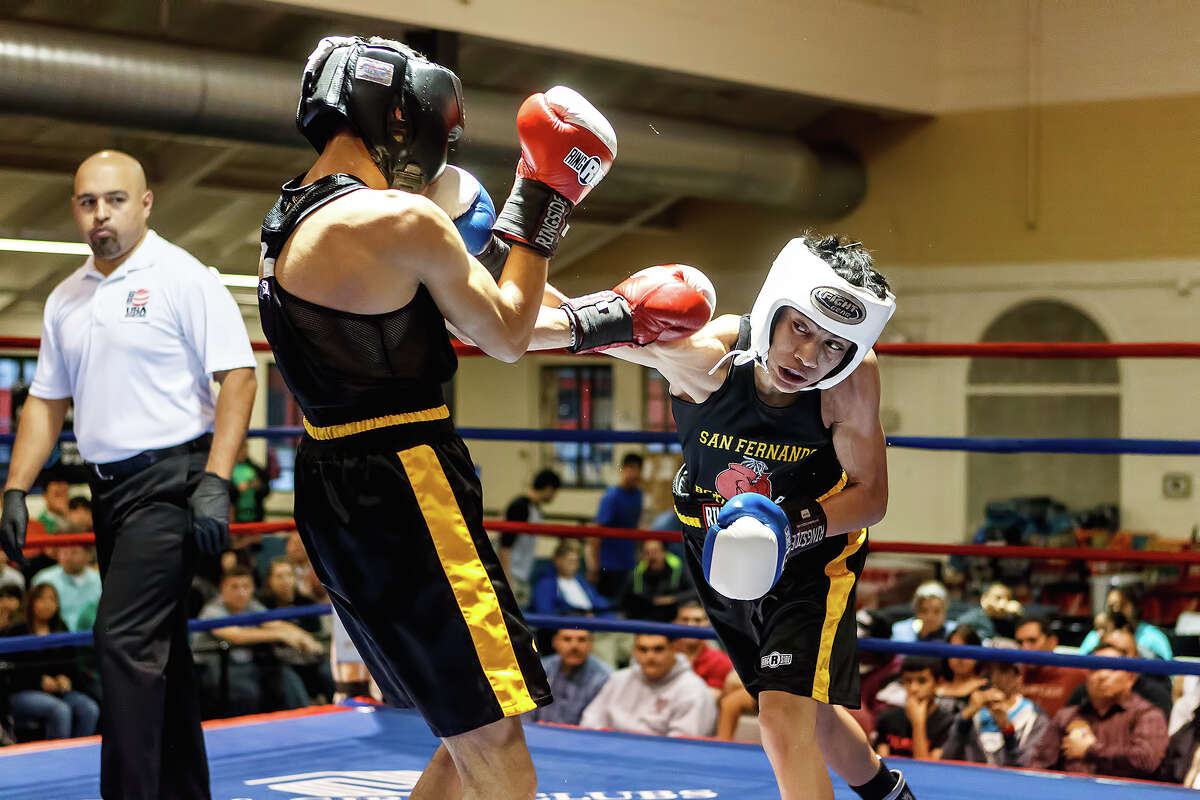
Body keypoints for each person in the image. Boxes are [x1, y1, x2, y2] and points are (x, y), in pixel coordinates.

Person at [258, 35, 615, 800]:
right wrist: (544, 195)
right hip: (407, 485)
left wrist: (611, 319)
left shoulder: (289, 215)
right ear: (398, 115)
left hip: (337, 482)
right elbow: (508, 332)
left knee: (464, 732)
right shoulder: (398, 221)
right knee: (498, 750)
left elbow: (478, 311)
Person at [528, 234, 913, 799]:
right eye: (801, 328)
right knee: (808, 710)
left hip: (814, 555)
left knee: (783, 720)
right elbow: (556, 329)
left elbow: (871, 497)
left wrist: (787, 526)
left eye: (833, 345)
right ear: (774, 307)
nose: (809, 357)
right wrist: (482, 268)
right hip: (713, 546)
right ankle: (888, 793)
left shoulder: (852, 382)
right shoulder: (707, 355)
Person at [0, 148, 256, 799]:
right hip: (107, 492)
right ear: (76, 210)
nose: (100, 215)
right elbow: (46, 401)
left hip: (171, 485)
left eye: (114, 200)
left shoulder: (182, 276)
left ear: (145, 203)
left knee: (121, 642)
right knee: (155, 650)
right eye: (88, 202)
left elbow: (239, 374)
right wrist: (16, 486)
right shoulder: (65, 298)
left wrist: (217, 479)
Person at [194, 565, 320, 716]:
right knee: (249, 692)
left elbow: (275, 623)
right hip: (213, 669)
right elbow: (237, 635)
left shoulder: (252, 606)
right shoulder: (212, 610)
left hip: (248, 665)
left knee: (287, 678)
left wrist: (303, 637)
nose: (241, 593)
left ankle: (304, 722)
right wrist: (280, 635)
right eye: (234, 587)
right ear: (223, 588)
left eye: (246, 586)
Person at [1032, 641, 1168, 779]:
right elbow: (1039, 765)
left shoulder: (1146, 715)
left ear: (1130, 678)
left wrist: (1090, 750)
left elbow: (1146, 761)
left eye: (1112, 668)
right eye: (1095, 668)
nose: (1102, 676)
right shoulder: (1066, 716)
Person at [1, 582, 100, 739]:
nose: (47, 604)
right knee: (60, 710)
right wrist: (39, 682)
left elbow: (71, 665)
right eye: (42, 599)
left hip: (58, 691)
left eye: (52, 599)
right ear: (32, 602)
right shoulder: (17, 631)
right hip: (22, 692)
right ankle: (59, 760)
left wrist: (66, 680)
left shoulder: (61, 628)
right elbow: (11, 672)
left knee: (89, 708)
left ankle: (77, 756)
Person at [580, 633, 717, 737]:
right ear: (634, 651)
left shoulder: (693, 690)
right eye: (643, 649)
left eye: (658, 649)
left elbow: (682, 745)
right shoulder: (619, 679)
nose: (650, 656)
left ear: (674, 649)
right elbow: (590, 721)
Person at [941, 648, 1049, 767]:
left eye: (1002, 670)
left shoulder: (1034, 716)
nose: (995, 677)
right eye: (989, 670)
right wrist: (965, 719)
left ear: (1018, 677)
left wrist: (1007, 730)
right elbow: (947, 757)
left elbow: (1024, 770)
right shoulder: (971, 711)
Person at [587, 452, 645, 600]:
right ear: (623, 469)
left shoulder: (638, 495)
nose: (634, 473)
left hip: (629, 563)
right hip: (608, 564)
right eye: (631, 468)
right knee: (606, 606)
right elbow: (597, 531)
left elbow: (636, 525)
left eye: (638, 469)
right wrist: (593, 565)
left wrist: (641, 551)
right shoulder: (611, 497)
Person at [874, 657, 957, 761]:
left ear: (938, 683)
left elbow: (927, 769)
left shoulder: (948, 724)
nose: (913, 688)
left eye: (922, 681)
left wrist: (918, 724)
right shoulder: (887, 718)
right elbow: (883, 764)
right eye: (908, 681)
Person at [499, 468, 561, 607]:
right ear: (549, 489)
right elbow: (505, 544)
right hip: (512, 573)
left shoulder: (536, 509)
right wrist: (506, 577)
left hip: (522, 573)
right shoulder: (520, 506)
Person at [529, 628, 613, 725]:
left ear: (591, 643)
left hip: (583, 737)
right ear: (555, 642)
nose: (574, 646)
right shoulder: (539, 669)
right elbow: (525, 717)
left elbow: (597, 724)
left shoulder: (605, 677)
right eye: (567, 639)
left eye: (582, 640)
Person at [1014, 615, 1087, 717]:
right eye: (1020, 642)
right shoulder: (1014, 676)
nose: (1024, 648)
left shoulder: (1076, 674)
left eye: (1032, 641)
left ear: (1052, 642)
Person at [1078, 585, 1172, 661]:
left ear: (1135, 606)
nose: (1116, 610)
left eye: (1122, 605)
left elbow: (1168, 675)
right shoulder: (1097, 636)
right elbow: (1080, 668)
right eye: (1111, 606)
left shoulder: (1153, 637)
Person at [620, 538, 696, 622]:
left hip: (675, 615)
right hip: (646, 619)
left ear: (664, 552)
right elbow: (626, 602)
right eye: (647, 553)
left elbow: (695, 592)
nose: (652, 556)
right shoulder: (636, 574)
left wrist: (672, 599)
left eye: (655, 551)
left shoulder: (680, 568)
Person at [30, 544, 102, 631]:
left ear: (89, 555)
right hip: (55, 638)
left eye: (74, 552)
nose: (68, 557)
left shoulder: (99, 580)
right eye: (64, 552)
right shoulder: (44, 579)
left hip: (91, 637)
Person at [531, 540, 610, 617]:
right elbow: (545, 614)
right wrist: (581, 616)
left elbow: (599, 603)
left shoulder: (581, 582)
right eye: (570, 561)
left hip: (594, 623)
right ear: (557, 561)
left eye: (575, 561)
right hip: (569, 626)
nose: (573, 566)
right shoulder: (546, 583)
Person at [672, 601, 733, 699]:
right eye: (685, 619)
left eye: (697, 620)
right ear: (675, 623)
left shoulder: (720, 660)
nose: (691, 625)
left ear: (708, 624)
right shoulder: (660, 652)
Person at [935, 626, 987, 712]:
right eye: (954, 651)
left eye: (965, 652)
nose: (959, 658)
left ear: (977, 653)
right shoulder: (934, 685)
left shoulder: (985, 689)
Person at [955, 582, 1023, 641]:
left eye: (1008, 599)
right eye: (998, 598)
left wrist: (1018, 617)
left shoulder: (1010, 621)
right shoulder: (970, 620)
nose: (1003, 604)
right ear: (984, 599)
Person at [232, 441, 271, 524]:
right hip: (233, 516)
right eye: (239, 449)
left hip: (254, 516)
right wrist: (236, 488)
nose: (242, 452)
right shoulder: (228, 469)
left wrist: (259, 486)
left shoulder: (255, 468)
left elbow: (266, 489)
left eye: (244, 448)